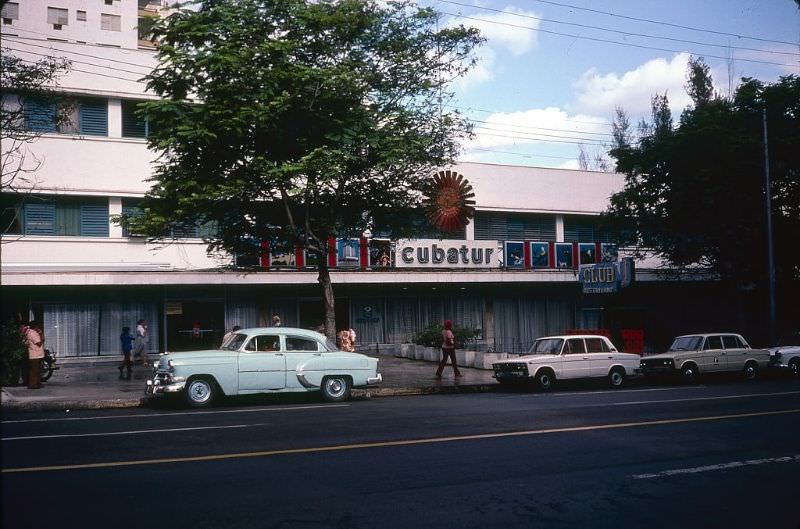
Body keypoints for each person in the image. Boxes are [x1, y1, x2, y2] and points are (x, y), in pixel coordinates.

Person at [25, 320, 45, 389]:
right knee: (34, 370)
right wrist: (41, 335)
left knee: (38, 370)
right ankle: (32, 384)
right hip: (35, 354)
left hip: (38, 354)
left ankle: (37, 383)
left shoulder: (32, 332)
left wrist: (40, 334)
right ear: (35, 326)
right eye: (37, 326)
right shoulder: (32, 333)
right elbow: (39, 343)